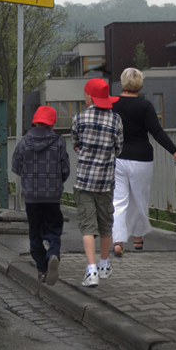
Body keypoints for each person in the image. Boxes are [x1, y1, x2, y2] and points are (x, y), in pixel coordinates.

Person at [111, 68, 176, 257]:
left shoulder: (112, 104)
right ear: (140, 85)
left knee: (118, 201)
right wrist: (174, 151)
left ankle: (118, 241)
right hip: (142, 159)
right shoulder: (145, 106)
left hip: (117, 157)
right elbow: (157, 131)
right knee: (139, 199)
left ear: (122, 82)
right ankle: (137, 239)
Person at [71, 78, 123, 288]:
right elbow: (118, 148)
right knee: (105, 225)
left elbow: (75, 144)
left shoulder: (79, 119)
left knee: (87, 227)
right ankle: (104, 265)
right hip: (105, 182)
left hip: (84, 182)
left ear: (89, 97)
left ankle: (90, 270)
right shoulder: (116, 120)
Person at [11, 106, 71, 285]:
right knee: (53, 229)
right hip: (52, 195)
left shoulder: (23, 142)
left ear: (35, 122)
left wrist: (29, 178)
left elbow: (16, 167)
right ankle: (53, 253)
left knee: (34, 232)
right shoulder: (59, 142)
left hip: (31, 196)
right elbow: (65, 169)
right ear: (52, 123)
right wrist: (57, 182)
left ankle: (41, 269)